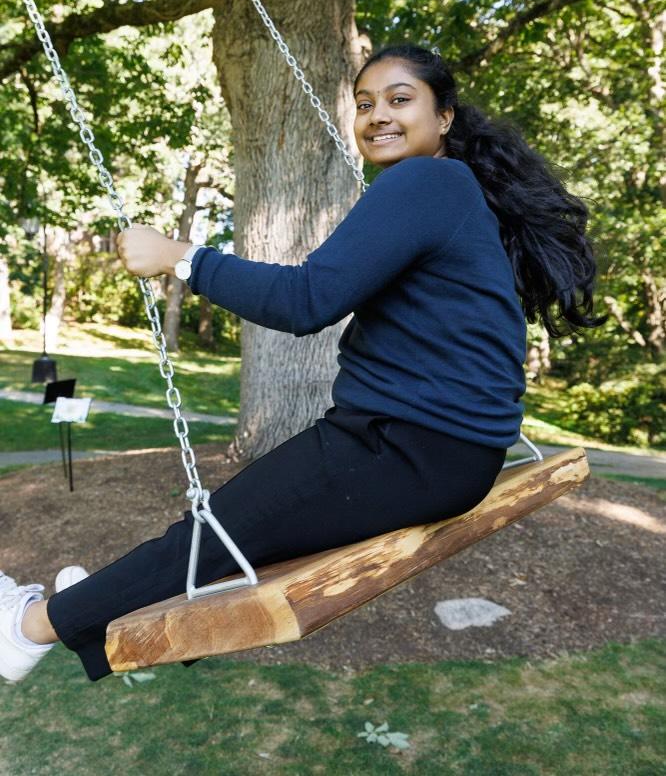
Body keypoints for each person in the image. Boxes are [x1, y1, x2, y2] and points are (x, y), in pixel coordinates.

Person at [0, 44, 606, 683]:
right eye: (365, 104)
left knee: (212, 535)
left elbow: (306, 300)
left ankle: (28, 628)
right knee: (235, 538)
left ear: (445, 117)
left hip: (405, 448)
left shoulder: (426, 182)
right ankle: (93, 605)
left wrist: (181, 256)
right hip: (430, 448)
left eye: (401, 100)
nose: (378, 116)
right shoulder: (451, 190)